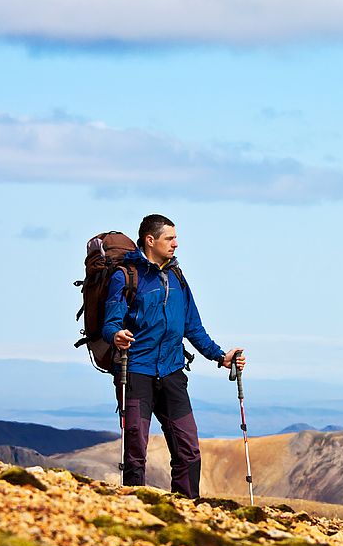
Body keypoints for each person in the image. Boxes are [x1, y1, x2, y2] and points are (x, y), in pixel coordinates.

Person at [102, 213, 245, 498]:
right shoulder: (127, 277)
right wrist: (116, 335)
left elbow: (192, 327)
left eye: (176, 238)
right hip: (136, 373)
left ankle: (187, 508)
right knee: (135, 450)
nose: (176, 244)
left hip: (172, 373)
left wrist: (220, 356)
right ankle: (135, 508)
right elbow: (110, 323)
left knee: (189, 450)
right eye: (170, 238)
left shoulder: (176, 277)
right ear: (150, 240)